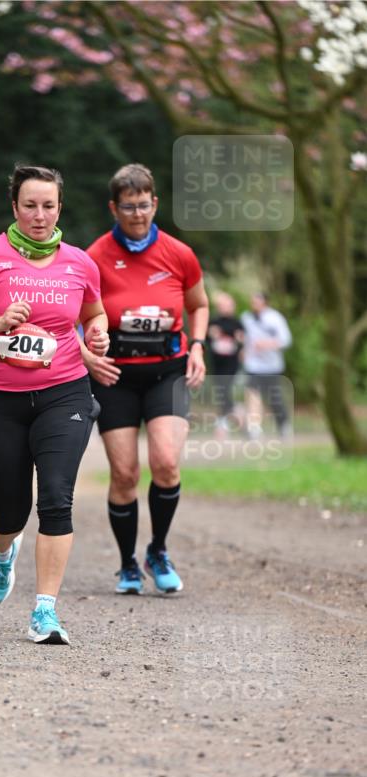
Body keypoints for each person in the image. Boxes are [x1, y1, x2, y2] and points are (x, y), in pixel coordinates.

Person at [0, 164, 109, 645]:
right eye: (31, 205)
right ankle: (1, 554)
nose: (40, 215)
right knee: (11, 509)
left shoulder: (79, 262)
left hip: (64, 391)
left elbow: (94, 312)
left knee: (56, 497)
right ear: (14, 208)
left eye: (49, 205)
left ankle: (45, 610)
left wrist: (97, 332)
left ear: (60, 208)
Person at [84, 163, 209, 596]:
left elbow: (200, 304)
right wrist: (90, 350)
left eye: (144, 206)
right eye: (128, 207)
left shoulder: (178, 253)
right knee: (123, 473)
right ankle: (127, 565)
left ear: (155, 204)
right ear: (113, 208)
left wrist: (197, 345)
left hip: (167, 372)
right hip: (115, 374)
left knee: (167, 464)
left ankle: (157, 549)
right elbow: (78, 312)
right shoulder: (95, 256)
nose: (137, 215)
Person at [240, 292, 292, 439]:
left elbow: (286, 340)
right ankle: (254, 428)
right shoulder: (246, 318)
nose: (254, 305)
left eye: (257, 302)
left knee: (275, 398)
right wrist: (243, 349)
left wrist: (268, 344)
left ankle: (283, 425)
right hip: (253, 365)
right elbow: (245, 338)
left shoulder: (275, 318)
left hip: (272, 366)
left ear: (265, 303)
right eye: (252, 302)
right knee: (252, 395)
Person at [207, 291, 244, 437]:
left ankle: (223, 422)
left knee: (224, 390)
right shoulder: (213, 321)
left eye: (227, 304)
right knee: (220, 391)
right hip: (217, 363)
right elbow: (208, 338)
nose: (224, 307)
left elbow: (241, 341)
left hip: (231, 363)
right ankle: (237, 412)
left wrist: (237, 340)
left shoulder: (237, 323)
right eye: (221, 305)